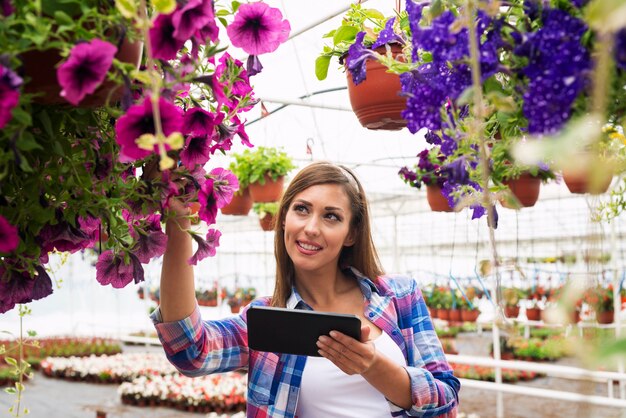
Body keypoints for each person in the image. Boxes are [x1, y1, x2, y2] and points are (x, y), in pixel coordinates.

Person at [151, 161, 460, 417]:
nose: (311, 227)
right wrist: (179, 226)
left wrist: (374, 366)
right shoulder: (268, 319)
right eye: (301, 209)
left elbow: (447, 404)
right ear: (283, 219)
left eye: (331, 216)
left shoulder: (398, 295)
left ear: (351, 233)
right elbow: (191, 351)